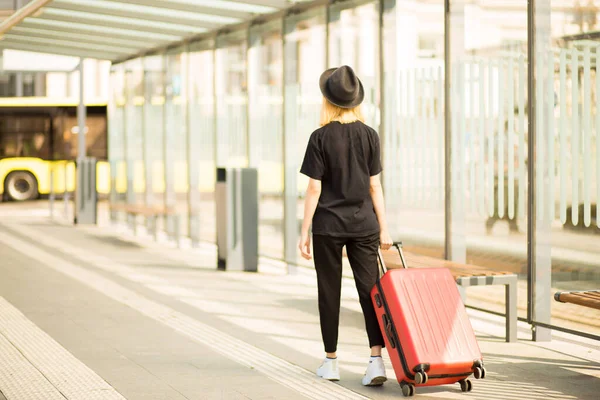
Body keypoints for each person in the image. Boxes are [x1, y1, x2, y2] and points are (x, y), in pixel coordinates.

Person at [298, 65, 393, 386]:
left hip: (327, 225)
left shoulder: (320, 137)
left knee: (329, 291)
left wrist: (303, 231)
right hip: (364, 224)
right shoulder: (370, 135)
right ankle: (376, 361)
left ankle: (331, 362)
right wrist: (384, 228)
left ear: (328, 100)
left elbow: (314, 188)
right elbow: (375, 187)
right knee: (370, 291)